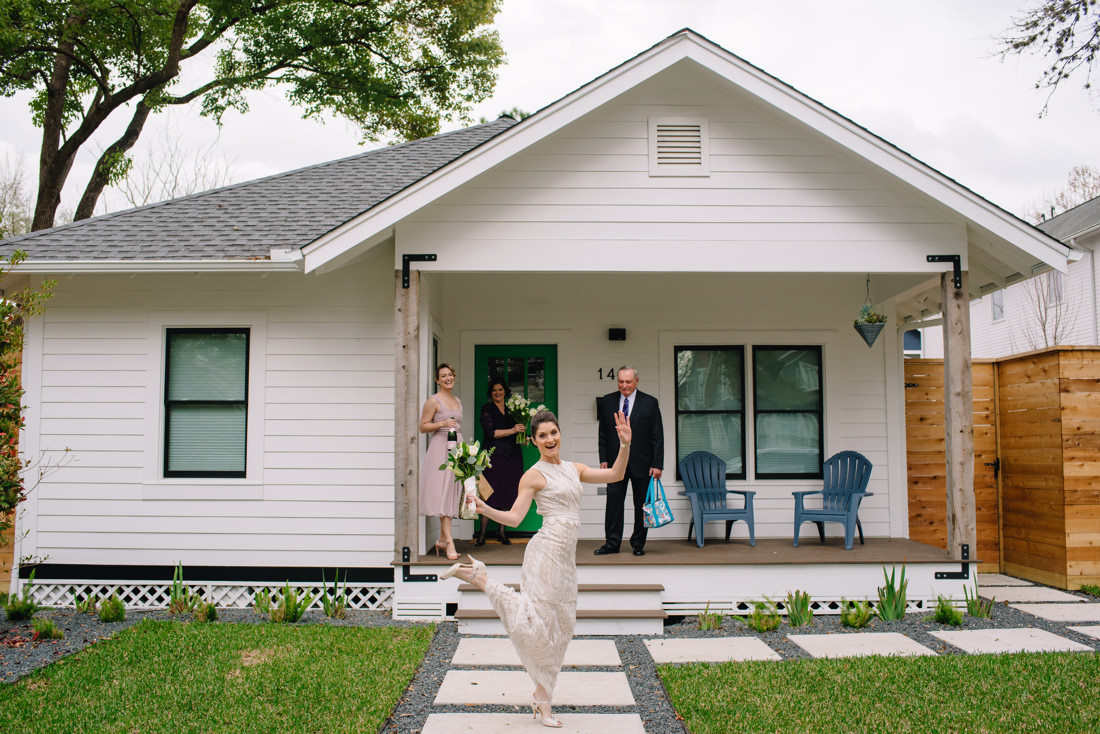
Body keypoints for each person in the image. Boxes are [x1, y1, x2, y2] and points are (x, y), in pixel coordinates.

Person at [440, 409, 632, 729]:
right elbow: (515, 519)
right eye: (542, 436)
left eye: (553, 433)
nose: (549, 439)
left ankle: (542, 698)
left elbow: (615, 475)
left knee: (561, 630)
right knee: (535, 626)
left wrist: (624, 445)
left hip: (566, 561)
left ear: (560, 434)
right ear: (533, 441)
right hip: (544, 554)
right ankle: (483, 579)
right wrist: (485, 507)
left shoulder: (574, 468)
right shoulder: (532, 474)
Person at [595, 365, 664, 557]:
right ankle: (612, 543)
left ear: (636, 381)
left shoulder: (650, 403)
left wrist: (657, 464)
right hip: (615, 463)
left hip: (643, 463)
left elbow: (657, 436)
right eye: (621, 381)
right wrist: (603, 459)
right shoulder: (608, 401)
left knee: (642, 505)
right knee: (613, 504)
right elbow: (603, 434)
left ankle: (638, 543)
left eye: (628, 381)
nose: (624, 385)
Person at [419, 363, 463, 561]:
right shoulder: (433, 401)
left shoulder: (457, 400)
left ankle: (442, 539)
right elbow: (423, 427)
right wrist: (442, 423)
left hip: (456, 447)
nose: (448, 378)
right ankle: (449, 542)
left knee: (452, 492)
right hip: (440, 448)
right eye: (443, 376)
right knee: (442, 492)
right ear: (437, 380)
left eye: (450, 375)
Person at [476, 379, 525, 545]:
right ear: (491, 393)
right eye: (494, 390)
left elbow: (519, 431)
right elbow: (490, 432)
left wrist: (523, 437)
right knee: (488, 494)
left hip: (512, 456)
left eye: (500, 390)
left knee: (507, 493)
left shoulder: (514, 409)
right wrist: (512, 430)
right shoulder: (486, 409)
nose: (497, 393)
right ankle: (482, 534)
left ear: (505, 391)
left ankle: (502, 532)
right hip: (492, 457)